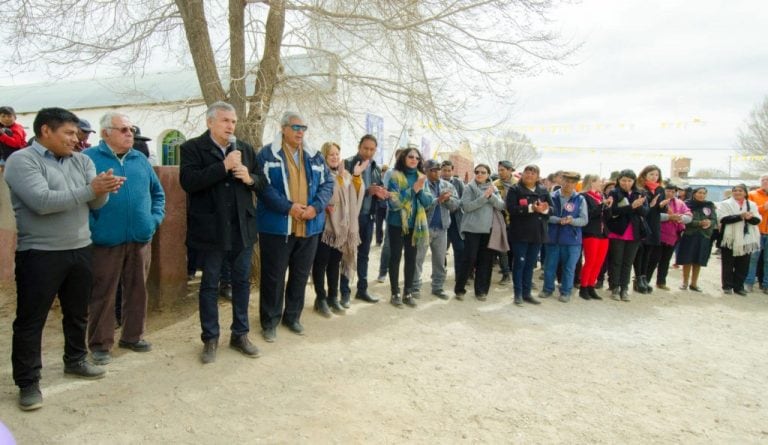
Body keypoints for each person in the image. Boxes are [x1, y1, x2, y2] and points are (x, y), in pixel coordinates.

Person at [5, 107, 123, 411]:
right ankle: (28, 382)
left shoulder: (82, 160)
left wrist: (103, 189)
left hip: (81, 248)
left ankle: (75, 359)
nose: (76, 139)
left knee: (77, 312)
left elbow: (95, 203)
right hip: (39, 253)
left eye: (77, 133)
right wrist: (89, 189)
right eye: (69, 133)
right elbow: (42, 202)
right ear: (46, 131)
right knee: (32, 320)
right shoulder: (22, 161)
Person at [180, 101, 266, 363]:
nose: (231, 126)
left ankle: (240, 334)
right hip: (211, 231)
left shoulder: (246, 149)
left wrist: (249, 178)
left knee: (241, 283)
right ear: (210, 122)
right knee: (209, 285)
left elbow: (262, 182)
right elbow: (189, 182)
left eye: (233, 121)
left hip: (242, 228)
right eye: (225, 120)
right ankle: (210, 338)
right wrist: (224, 166)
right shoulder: (192, 148)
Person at [83, 112, 166, 365]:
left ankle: (133, 336)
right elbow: (81, 200)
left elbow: (158, 194)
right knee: (103, 294)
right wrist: (94, 229)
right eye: (123, 129)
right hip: (105, 241)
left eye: (130, 129)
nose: (130, 133)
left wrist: (152, 222)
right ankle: (100, 344)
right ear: (106, 132)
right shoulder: (88, 160)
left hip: (140, 238)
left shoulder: (140, 159)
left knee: (138, 290)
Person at [256, 111, 334, 340]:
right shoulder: (267, 155)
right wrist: (288, 207)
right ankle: (270, 321)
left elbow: (328, 184)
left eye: (303, 128)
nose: (300, 132)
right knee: (274, 275)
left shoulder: (314, 156)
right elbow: (262, 187)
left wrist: (315, 208)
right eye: (296, 127)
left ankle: (293, 316)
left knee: (300, 275)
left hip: (309, 227)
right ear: (283, 128)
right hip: (277, 227)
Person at [311, 142, 366, 317]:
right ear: (325, 157)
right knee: (321, 263)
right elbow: (313, 194)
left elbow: (355, 195)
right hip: (324, 227)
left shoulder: (345, 175)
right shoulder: (319, 173)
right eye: (331, 154)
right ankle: (320, 299)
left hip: (340, 229)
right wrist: (323, 204)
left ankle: (333, 297)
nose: (335, 157)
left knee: (334, 263)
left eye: (337, 154)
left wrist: (356, 177)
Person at [340, 135, 388, 305]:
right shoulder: (347, 164)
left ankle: (362, 290)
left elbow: (379, 188)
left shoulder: (375, 167)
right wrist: (367, 191)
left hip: (369, 217)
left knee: (364, 255)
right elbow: (344, 191)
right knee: (347, 254)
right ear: (359, 147)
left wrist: (382, 193)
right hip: (351, 218)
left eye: (372, 149)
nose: (368, 152)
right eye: (365, 148)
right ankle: (344, 293)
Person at [386, 148, 433, 307]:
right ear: (404, 158)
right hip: (396, 223)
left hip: (415, 225)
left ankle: (408, 292)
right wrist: (413, 190)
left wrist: (419, 191)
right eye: (410, 156)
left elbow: (428, 202)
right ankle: (395, 293)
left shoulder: (421, 178)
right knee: (395, 257)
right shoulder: (395, 176)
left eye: (417, 158)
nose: (414, 159)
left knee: (411, 259)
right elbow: (394, 203)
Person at [454, 163, 506, 301]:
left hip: (488, 230)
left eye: (483, 172)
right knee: (469, 259)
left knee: (486, 261)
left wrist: (491, 196)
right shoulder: (469, 188)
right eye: (477, 172)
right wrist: (484, 198)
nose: (480, 174)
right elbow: (466, 207)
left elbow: (501, 206)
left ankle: (481, 291)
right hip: (472, 229)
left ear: (488, 174)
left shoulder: (493, 188)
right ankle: (460, 289)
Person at [505, 165, 552, 306]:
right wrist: (531, 208)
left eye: (533, 173)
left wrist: (544, 209)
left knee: (530, 265)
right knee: (519, 264)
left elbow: (552, 209)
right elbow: (511, 209)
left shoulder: (543, 190)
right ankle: (517, 294)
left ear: (538, 176)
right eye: (527, 172)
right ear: (523, 174)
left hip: (537, 234)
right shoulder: (515, 189)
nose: (530, 175)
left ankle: (527, 294)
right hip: (520, 234)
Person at [413, 160, 459, 300]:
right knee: (417, 259)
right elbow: (419, 205)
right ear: (425, 171)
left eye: (439, 169)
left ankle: (438, 287)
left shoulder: (448, 185)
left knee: (439, 260)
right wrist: (437, 200)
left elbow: (456, 205)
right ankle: (415, 287)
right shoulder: (421, 185)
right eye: (433, 170)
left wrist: (447, 200)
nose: (437, 172)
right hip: (423, 229)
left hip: (442, 229)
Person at [540, 172, 588, 302]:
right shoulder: (551, 196)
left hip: (572, 241)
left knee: (569, 268)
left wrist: (571, 220)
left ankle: (566, 292)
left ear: (576, 184)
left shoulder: (580, 199)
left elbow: (584, 220)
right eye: (566, 181)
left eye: (572, 182)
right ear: (561, 180)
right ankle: (547, 289)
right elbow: (545, 215)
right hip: (553, 238)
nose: (569, 184)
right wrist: (558, 220)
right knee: (550, 266)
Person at [606, 169, 649, 302]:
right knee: (616, 261)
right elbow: (612, 211)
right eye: (623, 180)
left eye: (629, 180)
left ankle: (624, 288)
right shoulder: (614, 192)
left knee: (628, 262)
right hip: (618, 231)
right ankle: (614, 287)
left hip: (634, 232)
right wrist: (631, 207)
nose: (626, 183)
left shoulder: (640, 193)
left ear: (634, 181)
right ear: (619, 180)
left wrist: (638, 206)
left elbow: (645, 212)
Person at [718, 184, 762, 296]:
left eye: (740, 190)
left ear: (745, 193)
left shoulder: (752, 205)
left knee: (743, 264)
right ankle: (727, 285)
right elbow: (723, 219)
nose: (737, 192)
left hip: (746, 239)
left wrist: (749, 217)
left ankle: (739, 286)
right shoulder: (725, 204)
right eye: (735, 190)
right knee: (728, 263)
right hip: (729, 238)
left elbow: (757, 220)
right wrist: (740, 216)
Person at [646, 184, 691, 290]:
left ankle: (661, 282)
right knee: (653, 259)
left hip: (673, 236)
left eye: (672, 191)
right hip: (658, 234)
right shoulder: (658, 201)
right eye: (668, 191)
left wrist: (680, 218)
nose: (670, 193)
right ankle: (645, 280)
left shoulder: (680, 203)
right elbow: (652, 215)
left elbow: (689, 215)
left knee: (666, 260)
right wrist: (669, 217)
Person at [677, 187, 717, 292]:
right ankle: (685, 282)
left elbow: (714, 219)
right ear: (694, 193)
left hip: (703, 236)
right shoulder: (687, 204)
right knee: (687, 259)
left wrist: (709, 222)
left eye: (704, 193)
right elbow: (683, 219)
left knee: (698, 260)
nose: (701, 195)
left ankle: (694, 283)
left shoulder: (709, 205)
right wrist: (698, 223)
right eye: (699, 193)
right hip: (690, 234)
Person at [579, 174, 611, 300]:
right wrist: (602, 205)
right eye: (599, 181)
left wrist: (608, 207)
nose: (601, 183)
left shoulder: (600, 197)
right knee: (590, 261)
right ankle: (583, 286)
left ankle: (591, 285)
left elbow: (607, 216)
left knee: (599, 262)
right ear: (591, 182)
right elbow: (589, 215)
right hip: (591, 232)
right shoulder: (584, 197)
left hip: (603, 232)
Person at [633, 165, 664, 294]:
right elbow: (641, 209)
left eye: (656, 175)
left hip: (655, 224)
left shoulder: (660, 189)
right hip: (643, 223)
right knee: (640, 252)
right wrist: (651, 206)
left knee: (649, 252)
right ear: (645, 175)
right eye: (651, 174)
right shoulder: (640, 189)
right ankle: (638, 278)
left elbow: (661, 209)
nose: (654, 177)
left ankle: (644, 278)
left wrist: (662, 206)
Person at [441, 160, 465, 280]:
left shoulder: (458, 183)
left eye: (449, 170)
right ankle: (442, 270)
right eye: (444, 170)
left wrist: (453, 203)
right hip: (441, 220)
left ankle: (460, 275)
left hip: (455, 220)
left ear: (452, 170)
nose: (446, 173)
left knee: (459, 248)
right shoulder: (436, 183)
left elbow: (463, 199)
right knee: (441, 249)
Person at [493, 160, 516, 284]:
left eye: (503, 170)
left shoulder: (518, 184)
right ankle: (506, 274)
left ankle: (516, 273)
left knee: (516, 249)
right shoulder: (495, 184)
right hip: (500, 221)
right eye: (499, 170)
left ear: (510, 170)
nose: (500, 172)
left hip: (517, 222)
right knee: (502, 249)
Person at [745, 175, 768, 293]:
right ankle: (749, 282)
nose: (765, 182)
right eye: (763, 180)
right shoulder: (752, 194)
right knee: (753, 258)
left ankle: (766, 284)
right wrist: (763, 207)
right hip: (756, 231)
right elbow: (748, 211)